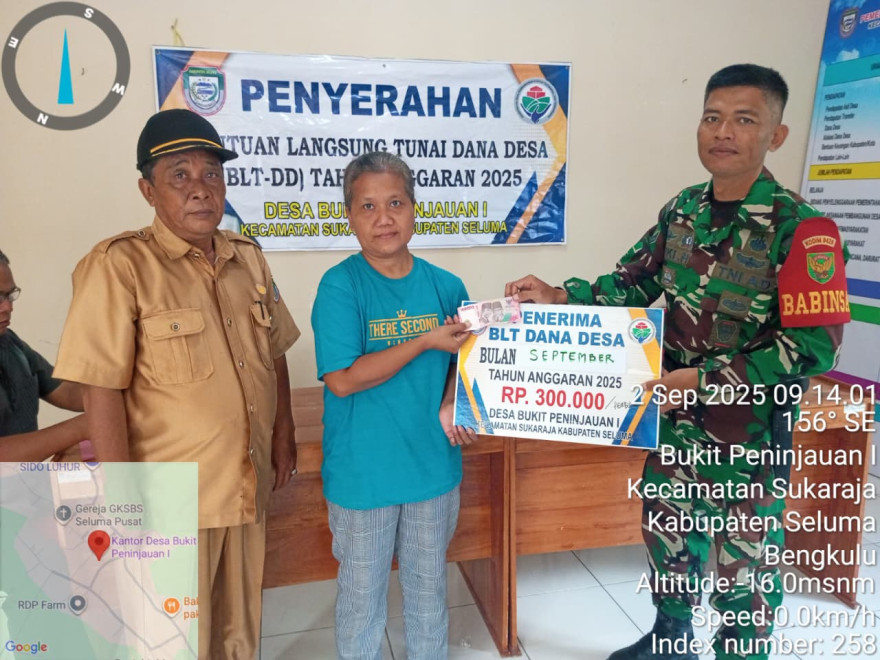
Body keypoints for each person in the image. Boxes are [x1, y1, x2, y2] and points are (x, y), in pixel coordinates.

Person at [505, 64, 847, 660]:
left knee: (744, 573)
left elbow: (814, 346)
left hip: (749, 437)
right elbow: (630, 284)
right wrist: (559, 296)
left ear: (776, 135)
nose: (723, 131)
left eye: (744, 119)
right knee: (668, 540)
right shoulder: (682, 211)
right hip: (674, 425)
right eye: (712, 116)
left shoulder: (803, 229)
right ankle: (671, 641)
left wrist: (704, 381)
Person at [53, 109, 300, 659]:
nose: (200, 189)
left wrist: (283, 433)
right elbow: (100, 388)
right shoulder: (120, 265)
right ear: (148, 190)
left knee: (238, 632)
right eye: (179, 175)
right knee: (173, 639)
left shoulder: (248, 259)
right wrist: (120, 501)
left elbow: (275, 352)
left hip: (244, 482)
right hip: (169, 501)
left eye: (211, 173)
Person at [311, 151, 476, 660]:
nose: (383, 218)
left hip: (432, 468)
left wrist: (452, 401)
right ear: (349, 216)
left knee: (429, 594)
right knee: (363, 601)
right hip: (364, 475)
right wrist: (424, 340)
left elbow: (465, 362)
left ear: (414, 209)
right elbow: (343, 380)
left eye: (396, 203)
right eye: (368, 206)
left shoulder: (447, 286)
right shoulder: (340, 285)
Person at [0, 249, 87, 460]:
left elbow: (68, 393)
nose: (8, 307)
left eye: (10, 295)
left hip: (25, 479)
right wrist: (84, 428)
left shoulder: (10, 344)